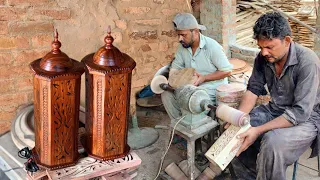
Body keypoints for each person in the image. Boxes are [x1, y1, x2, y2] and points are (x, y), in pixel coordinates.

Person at [231, 11, 320, 180]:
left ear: (287, 41)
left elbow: (300, 113)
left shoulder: (308, 62)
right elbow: (253, 89)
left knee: (272, 143)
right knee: (236, 133)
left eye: (269, 47)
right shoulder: (263, 58)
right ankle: (249, 176)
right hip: (275, 110)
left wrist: (257, 130)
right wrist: (238, 118)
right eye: (260, 47)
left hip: (307, 119)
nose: (264, 52)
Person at [161, 13, 233, 122]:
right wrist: (172, 82)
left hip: (211, 88)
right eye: (178, 35)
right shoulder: (182, 48)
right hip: (191, 86)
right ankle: (179, 127)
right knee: (167, 94)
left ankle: (191, 127)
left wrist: (204, 78)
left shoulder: (212, 46)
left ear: (195, 31)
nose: (180, 39)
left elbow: (227, 71)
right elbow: (175, 68)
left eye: (183, 35)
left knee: (192, 100)